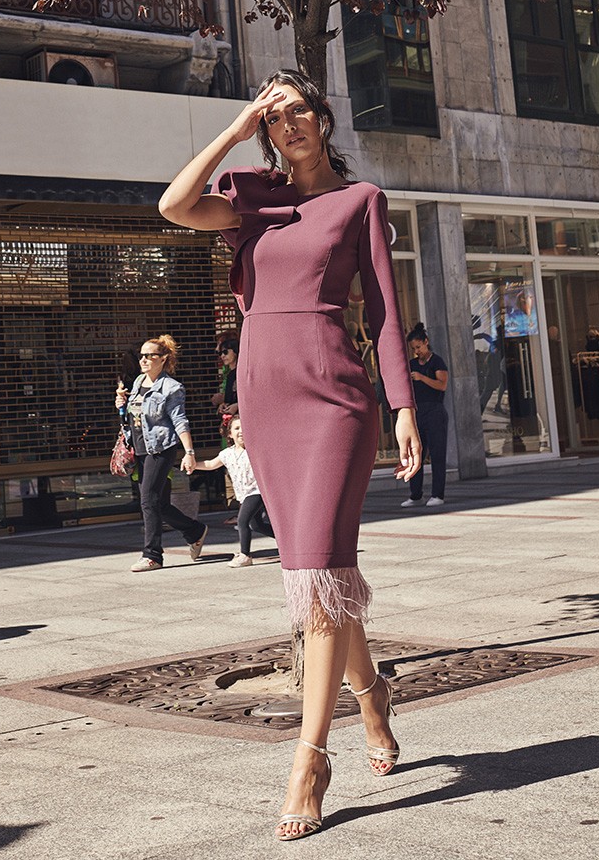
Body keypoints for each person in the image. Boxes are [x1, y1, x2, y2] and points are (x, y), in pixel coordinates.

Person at [159, 68, 421, 841]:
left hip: (335, 395)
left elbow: (384, 311)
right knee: (319, 570)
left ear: (323, 117)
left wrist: (403, 406)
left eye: (298, 109)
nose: (288, 123)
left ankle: (310, 758)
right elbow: (174, 206)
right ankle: (371, 699)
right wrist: (236, 130)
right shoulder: (253, 197)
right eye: (275, 115)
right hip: (265, 397)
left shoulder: (360, 201)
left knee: (316, 572)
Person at [114, 335, 208, 572]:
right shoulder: (137, 382)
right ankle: (194, 530)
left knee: (148, 500)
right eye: (141, 355)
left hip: (161, 449)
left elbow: (180, 421)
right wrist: (121, 404)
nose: (143, 360)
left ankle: (152, 555)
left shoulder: (171, 387)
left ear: (163, 359)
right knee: (159, 504)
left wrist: (189, 452)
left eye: (149, 356)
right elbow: (133, 417)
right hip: (140, 448)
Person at [183, 413, 273, 567]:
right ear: (230, 434)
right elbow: (211, 464)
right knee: (257, 525)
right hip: (243, 494)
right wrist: (193, 465)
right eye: (236, 428)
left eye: (243, 427)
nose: (241, 431)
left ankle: (245, 555)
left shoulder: (255, 450)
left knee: (242, 521)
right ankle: (290, 541)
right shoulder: (227, 453)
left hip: (257, 491)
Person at [401, 323, 450, 508]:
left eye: (419, 347)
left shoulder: (437, 362)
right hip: (417, 413)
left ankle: (438, 494)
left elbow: (442, 385)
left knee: (437, 454)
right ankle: (416, 495)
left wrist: (421, 378)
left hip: (435, 412)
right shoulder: (412, 364)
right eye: (413, 348)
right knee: (416, 455)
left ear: (426, 342)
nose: (417, 351)